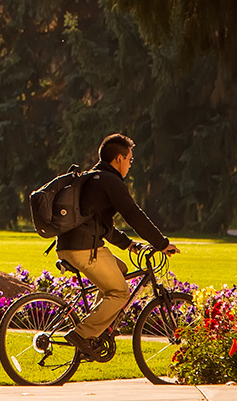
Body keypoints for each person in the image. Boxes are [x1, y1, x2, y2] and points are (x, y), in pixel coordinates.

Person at [58, 132, 176, 361]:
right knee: (121, 293)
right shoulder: (110, 181)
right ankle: (83, 335)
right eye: (130, 160)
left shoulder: (93, 178)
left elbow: (103, 226)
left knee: (120, 270)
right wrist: (161, 243)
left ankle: (96, 331)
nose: (130, 165)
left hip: (70, 245)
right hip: (84, 248)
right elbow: (133, 214)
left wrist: (130, 245)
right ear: (119, 159)